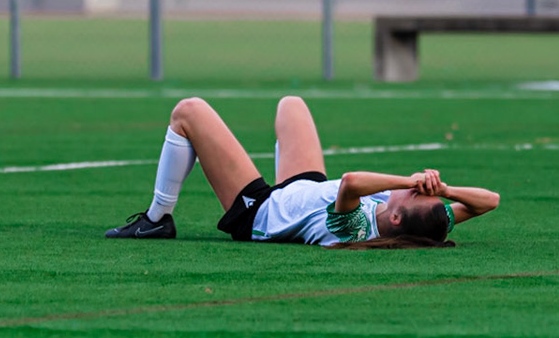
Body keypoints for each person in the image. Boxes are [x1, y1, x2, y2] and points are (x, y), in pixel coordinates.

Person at [105, 95, 500, 247]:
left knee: (188, 112)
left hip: (260, 212)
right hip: (305, 190)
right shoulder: (419, 219)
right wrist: (444, 190)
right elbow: (490, 202)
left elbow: (351, 183)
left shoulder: (357, 229)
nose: (416, 190)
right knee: (292, 105)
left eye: (414, 195)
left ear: (396, 216)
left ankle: (157, 219)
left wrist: (410, 180)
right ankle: (157, 218)